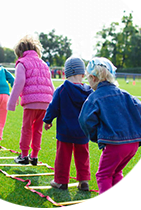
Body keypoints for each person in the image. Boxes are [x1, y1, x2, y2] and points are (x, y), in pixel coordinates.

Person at [78, 57, 141, 210]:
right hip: (133, 144)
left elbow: (85, 120)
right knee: (116, 175)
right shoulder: (125, 94)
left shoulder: (94, 97)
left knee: (103, 176)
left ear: (93, 78)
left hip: (115, 145)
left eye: (88, 79)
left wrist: (97, 137)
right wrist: (135, 130)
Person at [43, 57, 93, 190]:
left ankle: (61, 181)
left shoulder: (61, 90)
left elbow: (53, 107)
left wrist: (48, 120)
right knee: (83, 155)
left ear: (65, 73)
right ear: (83, 74)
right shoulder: (89, 91)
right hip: (83, 131)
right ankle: (83, 180)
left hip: (65, 131)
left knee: (62, 156)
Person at [7, 35, 54, 165]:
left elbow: (19, 82)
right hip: (45, 102)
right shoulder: (44, 64)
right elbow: (51, 84)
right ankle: (34, 156)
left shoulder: (22, 63)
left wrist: (12, 102)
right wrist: (54, 105)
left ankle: (23, 156)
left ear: (19, 52)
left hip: (31, 102)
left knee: (26, 128)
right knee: (37, 129)